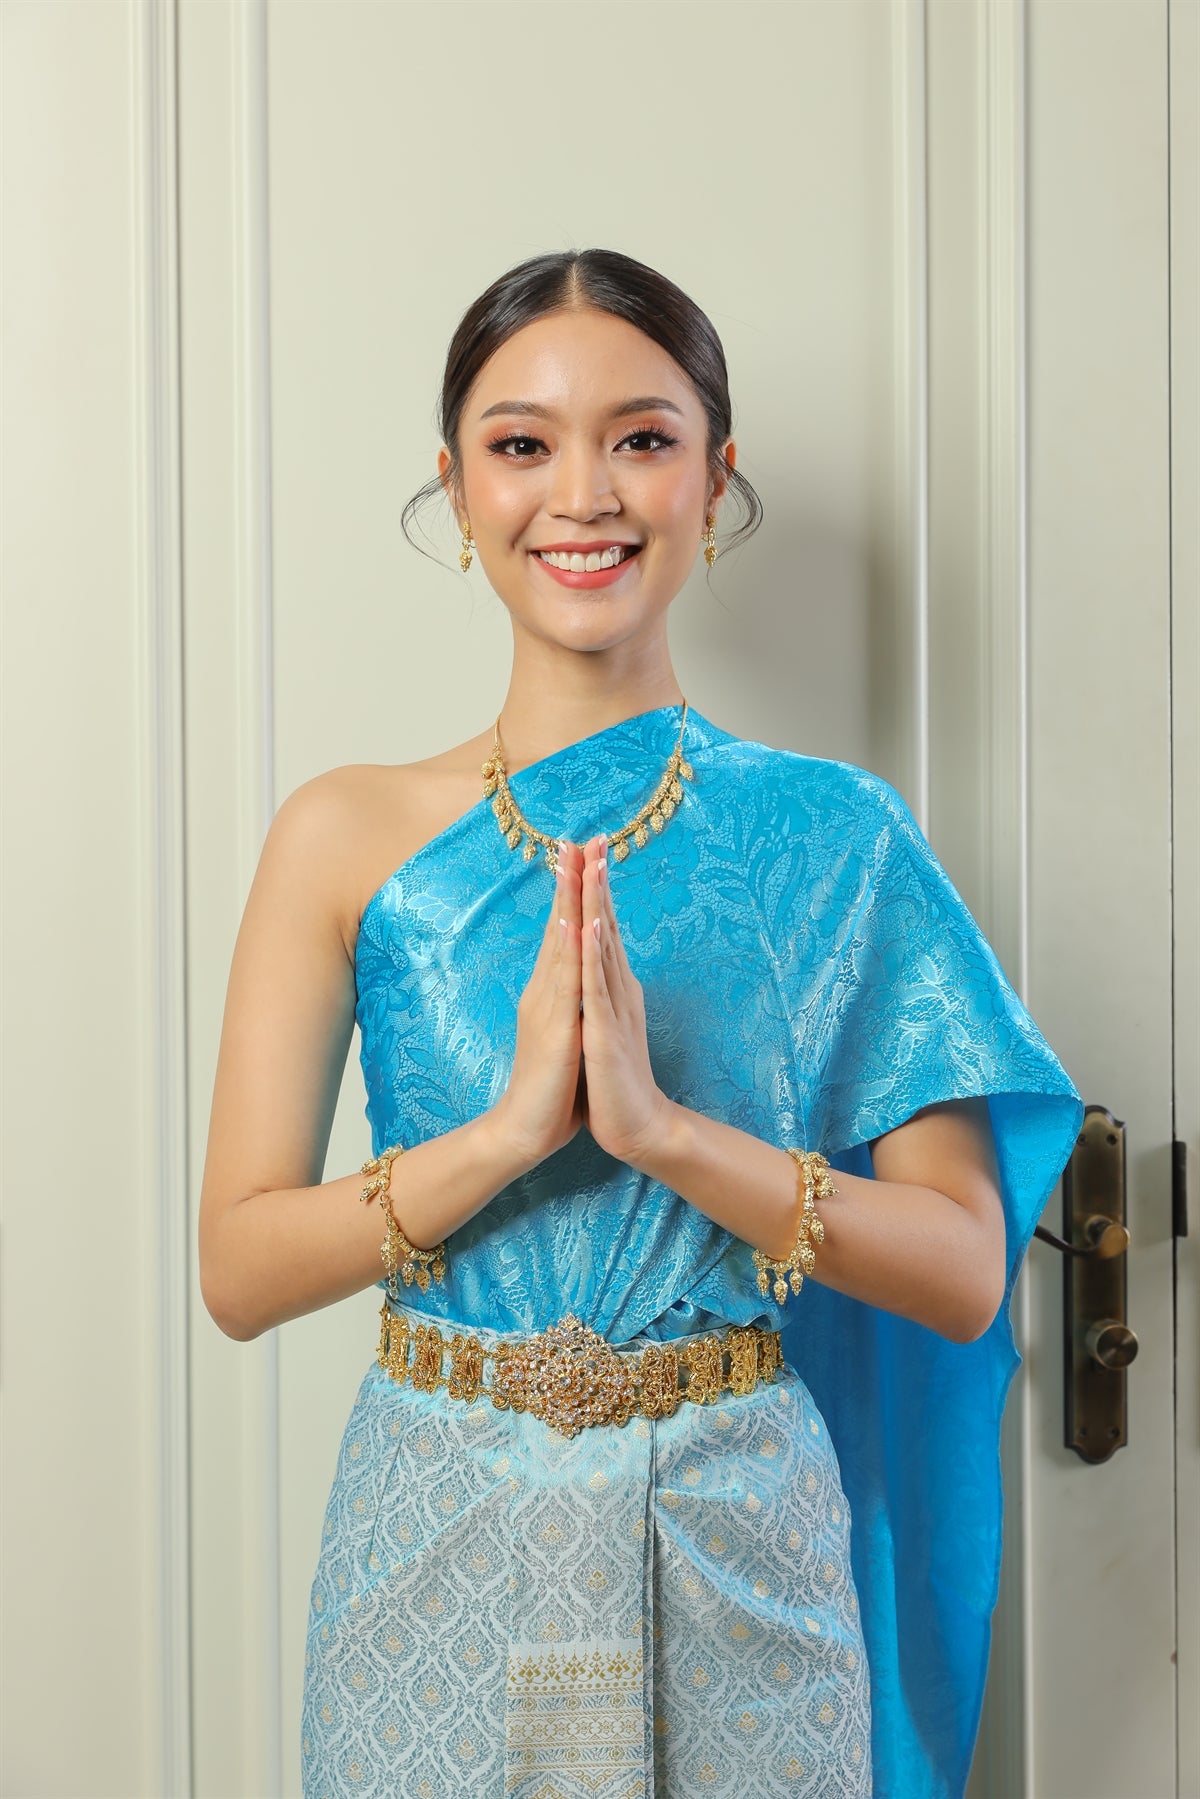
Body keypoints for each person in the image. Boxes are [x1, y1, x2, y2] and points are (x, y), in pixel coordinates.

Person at [198, 247, 1082, 1799]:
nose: (584, 493)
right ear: (458, 485)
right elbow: (240, 1266)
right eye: (523, 442)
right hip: (436, 1530)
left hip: (742, 1527)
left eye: (644, 438)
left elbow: (960, 1269)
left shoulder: (837, 840)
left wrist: (671, 1139)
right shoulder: (344, 837)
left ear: (715, 480)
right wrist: (501, 1141)